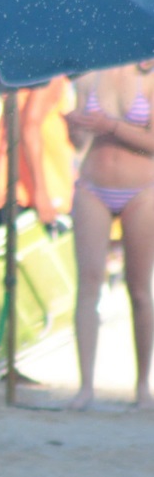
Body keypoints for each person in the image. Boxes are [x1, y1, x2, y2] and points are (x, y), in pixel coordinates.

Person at [65, 61, 154, 410]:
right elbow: (79, 142)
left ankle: (142, 384)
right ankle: (86, 385)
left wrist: (111, 126)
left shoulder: (149, 79)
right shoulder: (90, 75)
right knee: (88, 283)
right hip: (92, 185)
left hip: (141, 189)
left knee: (140, 290)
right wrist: (74, 128)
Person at [0, 76, 76, 232]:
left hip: (15, 189)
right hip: (41, 194)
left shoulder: (20, 70)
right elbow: (30, 126)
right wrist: (41, 192)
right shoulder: (51, 70)